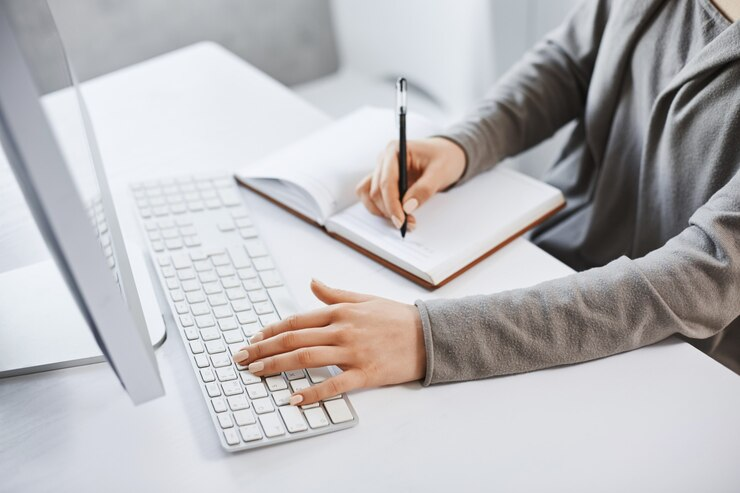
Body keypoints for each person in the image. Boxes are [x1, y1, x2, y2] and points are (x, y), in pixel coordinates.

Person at [233, 0, 740, 406]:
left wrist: (426, 337)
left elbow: (699, 276)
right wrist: (462, 145)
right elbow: (567, 64)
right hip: (545, 276)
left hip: (676, 364)